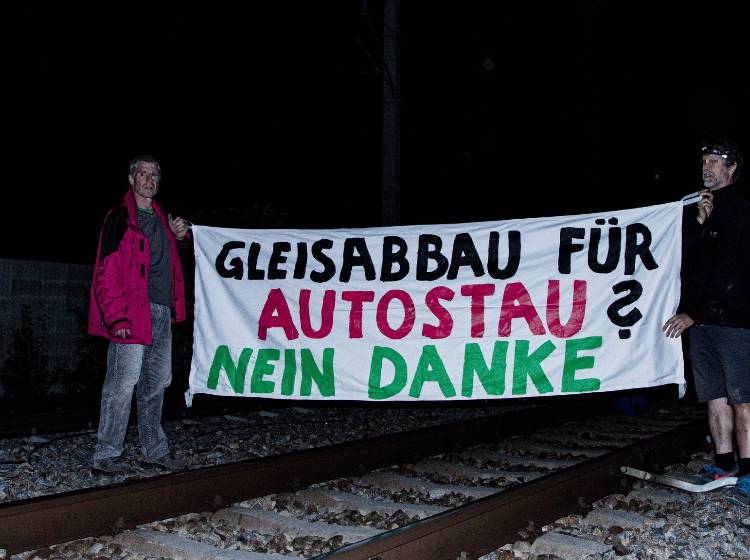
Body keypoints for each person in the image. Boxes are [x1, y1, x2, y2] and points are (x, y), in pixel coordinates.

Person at [88, 155, 190, 474]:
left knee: (156, 383)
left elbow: (171, 265)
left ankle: (154, 451)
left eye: (154, 175)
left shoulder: (161, 219)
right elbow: (107, 271)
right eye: (142, 174)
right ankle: (106, 455)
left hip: (161, 313)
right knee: (122, 382)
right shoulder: (119, 217)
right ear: (131, 179)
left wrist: (179, 239)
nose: (148, 179)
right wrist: (116, 317)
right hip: (132, 314)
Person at [663, 139, 750, 506]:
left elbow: (731, 273)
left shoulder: (740, 211)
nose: (707, 167)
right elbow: (694, 269)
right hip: (702, 327)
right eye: (704, 160)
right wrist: (699, 223)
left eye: (715, 161)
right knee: (713, 398)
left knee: (742, 400)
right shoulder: (703, 211)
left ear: (731, 168)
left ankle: (748, 475)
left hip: (733, 323)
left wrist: (694, 312)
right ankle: (723, 464)